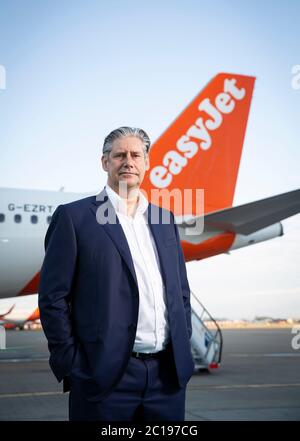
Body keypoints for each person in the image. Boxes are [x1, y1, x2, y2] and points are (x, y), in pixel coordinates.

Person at [38, 126, 195, 421]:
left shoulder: (165, 219)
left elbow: (180, 293)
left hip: (167, 379)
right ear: (105, 162)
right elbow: (52, 298)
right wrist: (74, 365)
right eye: (119, 154)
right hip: (105, 379)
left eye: (136, 155)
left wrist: (183, 346)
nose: (128, 161)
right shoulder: (75, 217)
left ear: (146, 163)